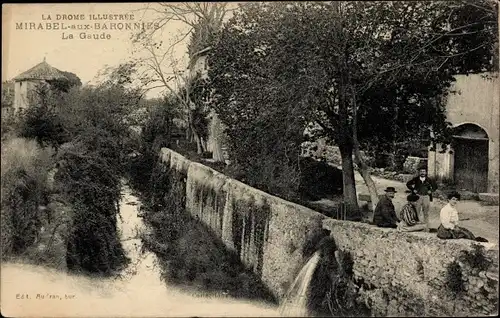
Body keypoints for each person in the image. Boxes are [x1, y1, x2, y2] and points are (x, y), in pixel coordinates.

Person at [406, 166, 438, 231]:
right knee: (416, 211)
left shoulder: (429, 180)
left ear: (426, 172)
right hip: (418, 197)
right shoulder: (416, 179)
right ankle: (416, 226)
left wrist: (430, 191)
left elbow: (435, 186)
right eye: (421, 171)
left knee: (426, 212)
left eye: (424, 171)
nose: (422, 173)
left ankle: (426, 227)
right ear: (419, 172)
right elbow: (408, 184)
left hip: (426, 197)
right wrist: (413, 189)